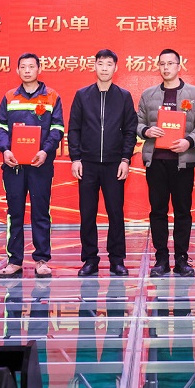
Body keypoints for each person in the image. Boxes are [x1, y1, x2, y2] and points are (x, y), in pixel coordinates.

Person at [137, 48, 195, 278]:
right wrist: (146, 130)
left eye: (170, 63)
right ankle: (161, 259)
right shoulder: (148, 95)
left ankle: (181, 259)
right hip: (156, 161)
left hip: (182, 163)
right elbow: (136, 123)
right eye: (162, 64)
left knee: (182, 211)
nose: (166, 67)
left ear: (179, 66)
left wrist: (189, 141)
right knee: (158, 211)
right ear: (158, 67)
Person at [0, 53, 64, 278]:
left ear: (39, 69)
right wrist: (5, 150)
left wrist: (45, 151)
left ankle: (41, 259)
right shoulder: (9, 96)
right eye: (22, 67)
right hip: (14, 165)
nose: (27, 70)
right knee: (14, 213)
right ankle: (14, 260)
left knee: (40, 212)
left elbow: (58, 128)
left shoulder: (52, 96)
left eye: (31, 67)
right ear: (17, 70)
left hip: (40, 164)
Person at [68, 49, 138, 277]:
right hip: (87, 164)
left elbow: (130, 131)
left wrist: (125, 159)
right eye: (100, 63)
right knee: (87, 213)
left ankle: (117, 260)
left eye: (109, 64)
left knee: (115, 213)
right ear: (94, 66)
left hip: (114, 164)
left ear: (116, 68)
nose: (105, 68)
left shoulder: (124, 96)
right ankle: (90, 260)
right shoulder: (82, 95)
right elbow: (74, 129)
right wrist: (75, 158)